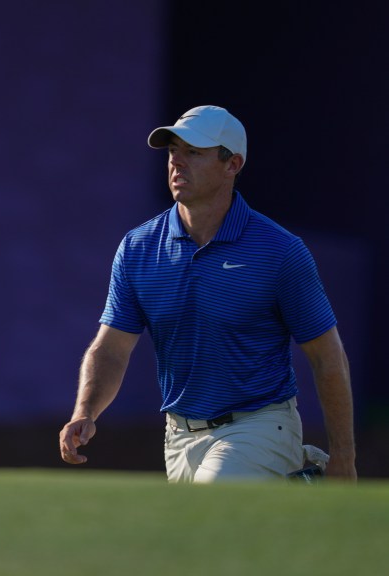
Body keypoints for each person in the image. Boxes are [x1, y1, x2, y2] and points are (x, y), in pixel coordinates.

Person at [59, 105, 355, 482]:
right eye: (172, 152)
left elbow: (328, 357)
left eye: (194, 153)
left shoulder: (280, 251)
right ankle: (293, 489)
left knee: (213, 500)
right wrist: (85, 411)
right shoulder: (138, 248)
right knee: (201, 538)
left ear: (232, 164)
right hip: (178, 437)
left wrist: (345, 458)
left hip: (260, 425)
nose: (177, 163)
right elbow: (112, 347)